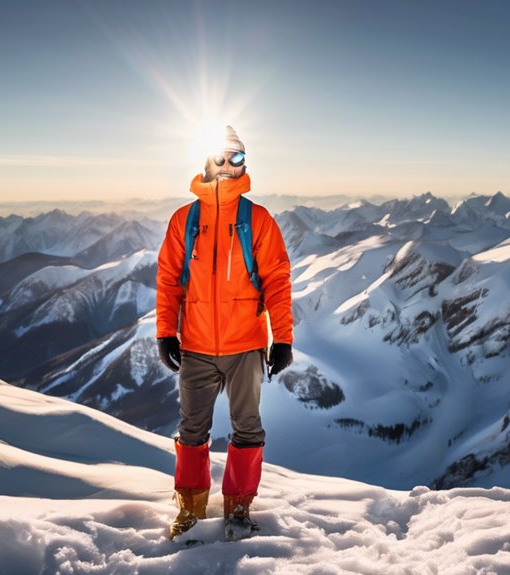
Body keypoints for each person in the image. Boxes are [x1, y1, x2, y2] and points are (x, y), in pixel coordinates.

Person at [155, 125, 294, 539]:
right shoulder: (185, 220)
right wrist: (166, 332)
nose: (235, 166)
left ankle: (237, 509)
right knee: (192, 431)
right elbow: (169, 282)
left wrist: (282, 337)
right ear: (209, 160)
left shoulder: (258, 220)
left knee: (247, 428)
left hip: (246, 345)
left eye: (241, 159)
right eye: (228, 157)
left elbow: (277, 281)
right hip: (196, 344)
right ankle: (190, 510)